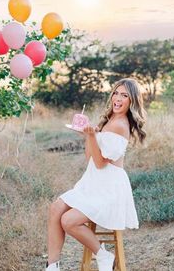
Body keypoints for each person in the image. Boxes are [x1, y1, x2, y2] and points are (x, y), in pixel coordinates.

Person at [46, 78, 147, 271]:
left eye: (124, 95)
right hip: (92, 182)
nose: (118, 98)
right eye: (116, 93)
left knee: (68, 220)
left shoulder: (120, 125)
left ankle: (103, 255)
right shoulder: (110, 120)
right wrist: (88, 136)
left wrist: (92, 135)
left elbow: (101, 164)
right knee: (55, 209)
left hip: (108, 188)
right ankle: (52, 266)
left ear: (132, 101)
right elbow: (90, 157)